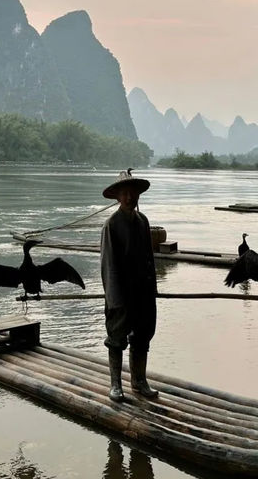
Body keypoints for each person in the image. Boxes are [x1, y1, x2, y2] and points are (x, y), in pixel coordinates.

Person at [100, 169, 158, 402]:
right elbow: (108, 264)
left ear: (138, 195)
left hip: (143, 293)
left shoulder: (143, 221)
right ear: (117, 197)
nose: (129, 197)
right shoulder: (111, 225)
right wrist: (114, 299)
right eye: (124, 193)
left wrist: (153, 289)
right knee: (116, 338)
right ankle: (116, 385)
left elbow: (149, 258)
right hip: (121, 293)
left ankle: (139, 381)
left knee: (143, 336)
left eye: (132, 193)